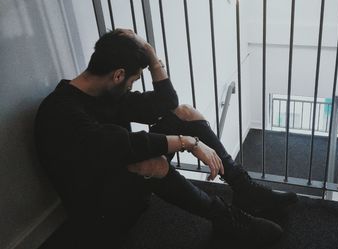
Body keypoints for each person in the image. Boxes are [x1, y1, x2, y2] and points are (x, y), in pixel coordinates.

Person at [35, 28, 297, 248]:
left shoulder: (105, 93)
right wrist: (188, 143)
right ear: (118, 75)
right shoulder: (63, 112)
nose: (132, 86)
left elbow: (165, 102)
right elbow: (124, 145)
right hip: (100, 215)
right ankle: (225, 219)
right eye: (133, 80)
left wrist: (149, 54)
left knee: (184, 113)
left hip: (119, 180)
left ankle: (245, 190)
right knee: (151, 161)